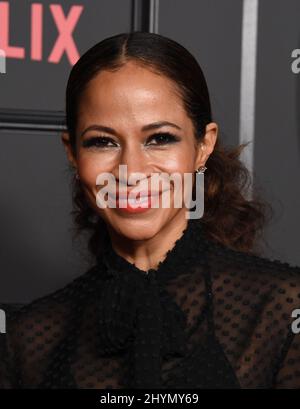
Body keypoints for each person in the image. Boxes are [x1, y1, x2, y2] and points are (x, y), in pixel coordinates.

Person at [1, 31, 300, 389]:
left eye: (160, 138)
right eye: (103, 142)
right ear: (72, 151)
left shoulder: (281, 310)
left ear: (203, 145)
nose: (131, 170)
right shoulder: (29, 338)